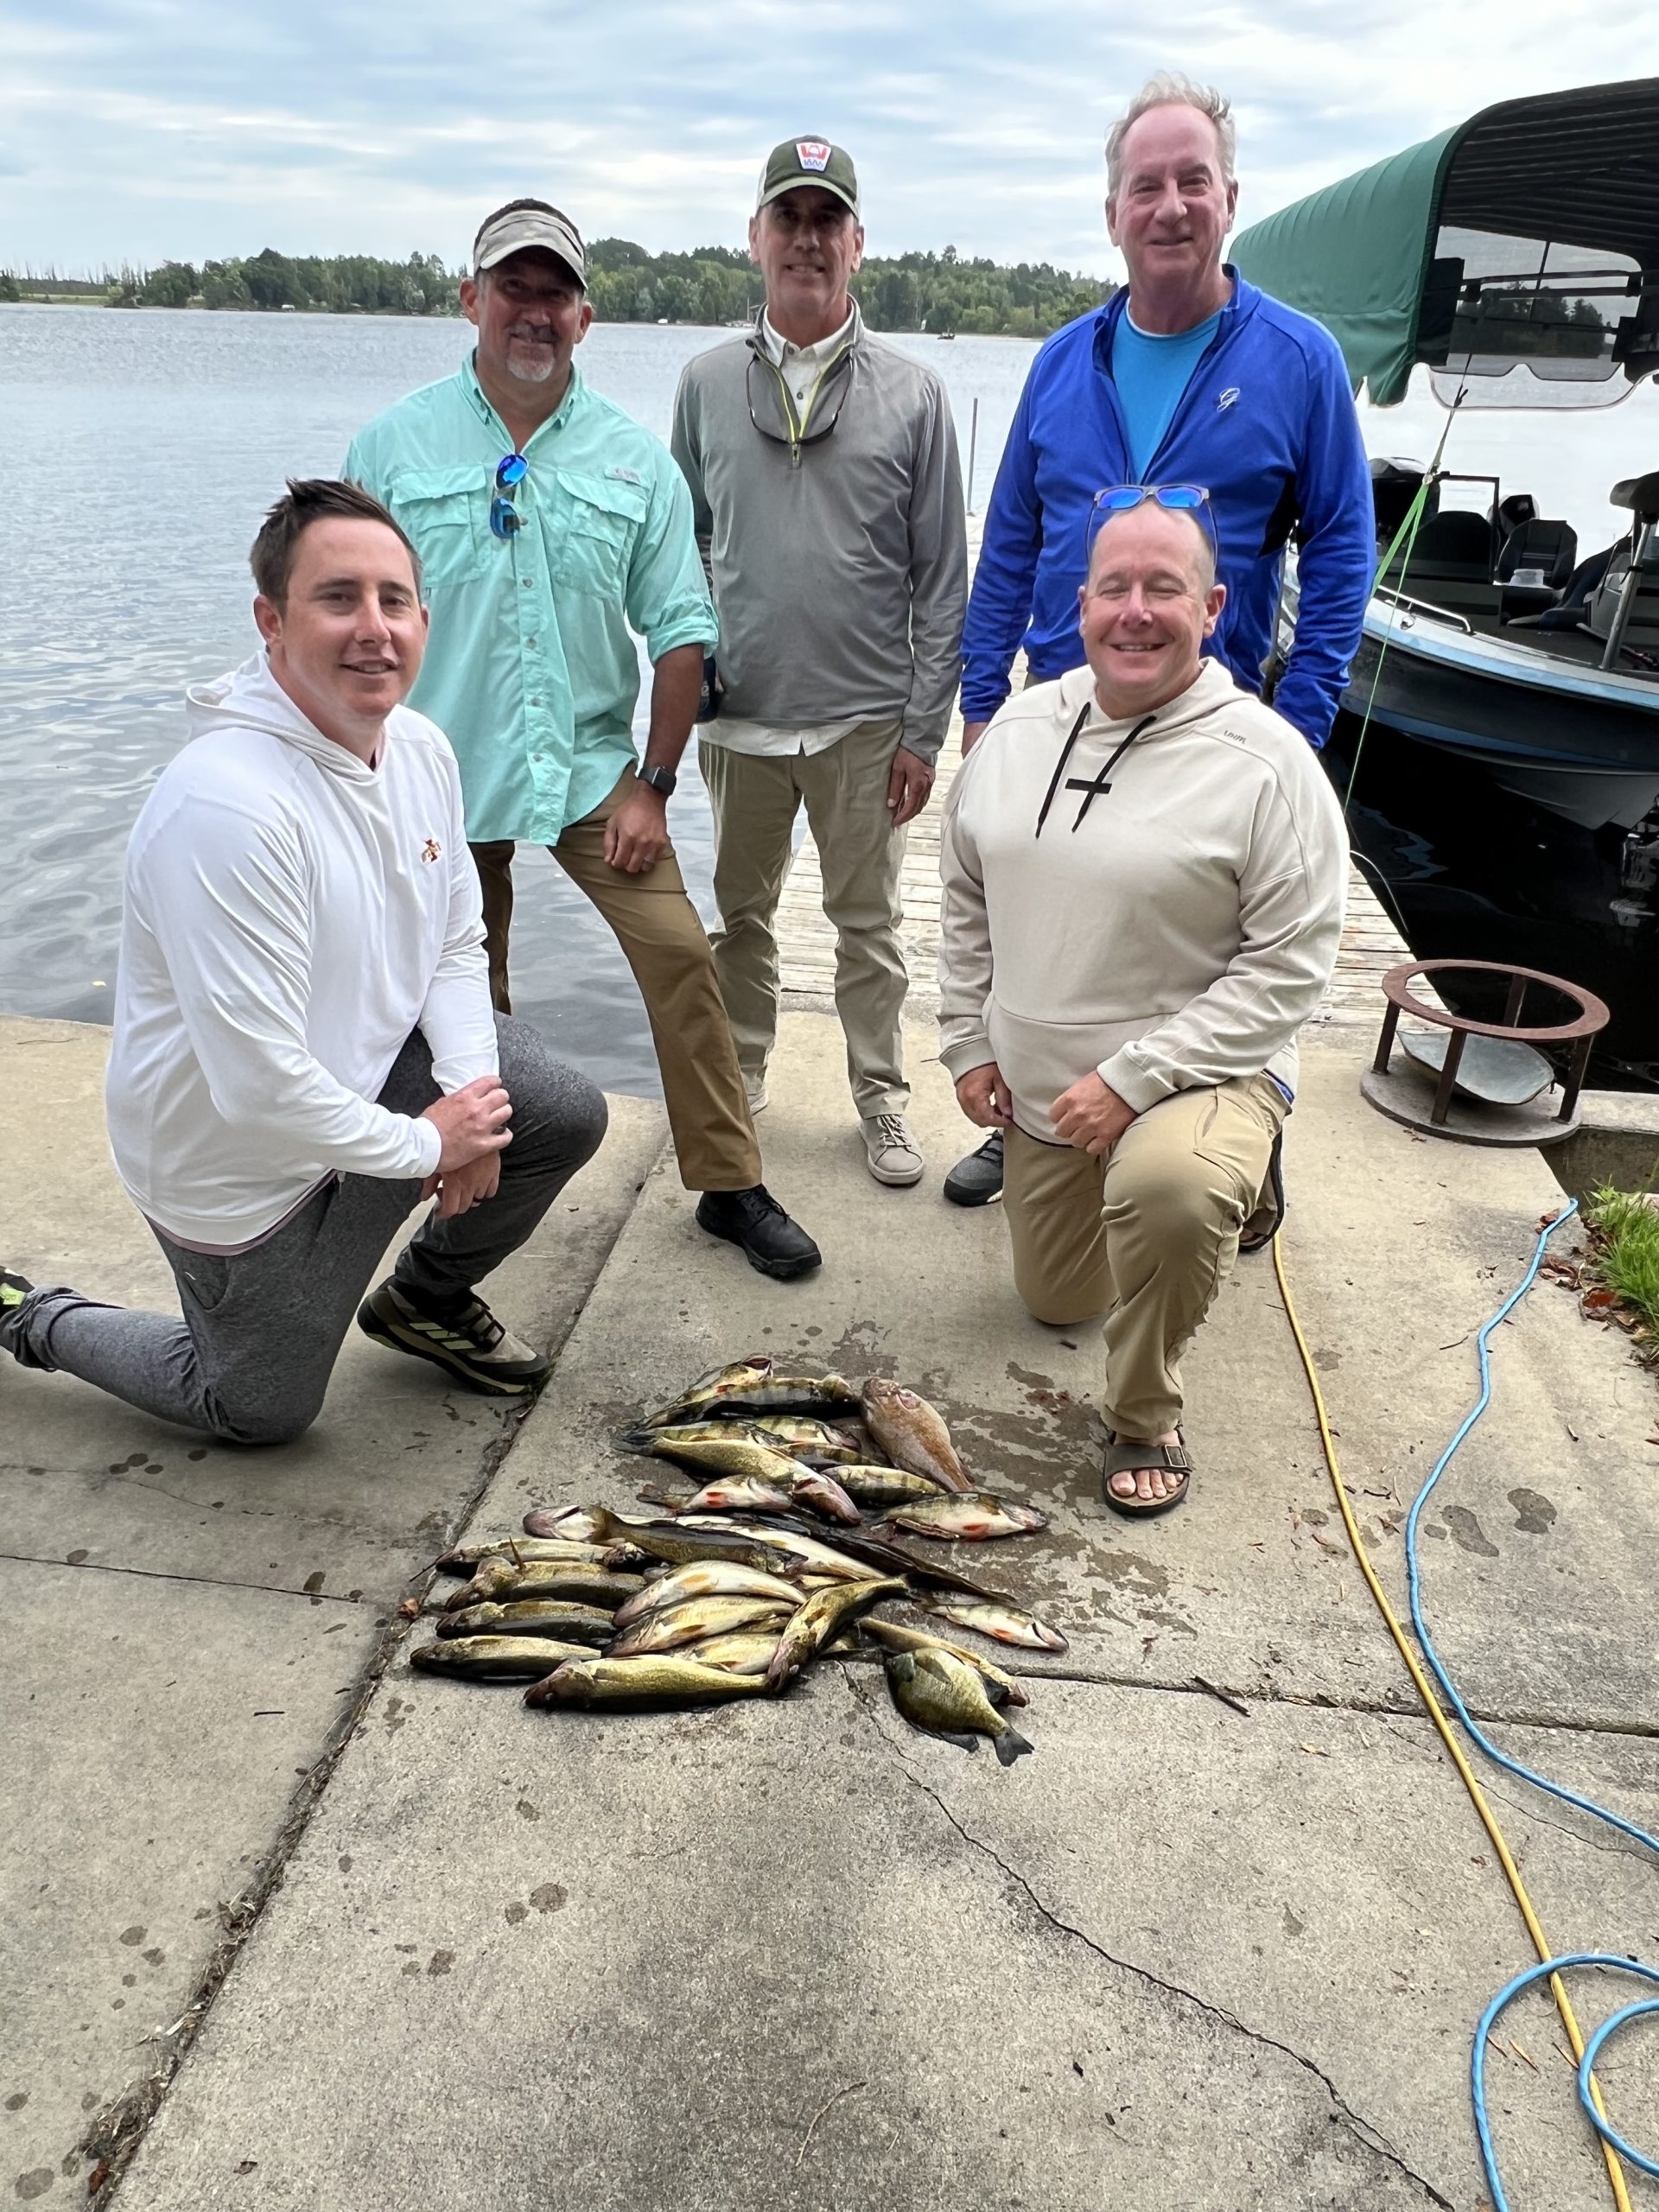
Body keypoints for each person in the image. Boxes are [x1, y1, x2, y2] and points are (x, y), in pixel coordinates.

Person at [0, 480, 608, 1443]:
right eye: (338, 598)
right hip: (237, 1166)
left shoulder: (420, 749)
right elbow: (257, 1089)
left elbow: (456, 941)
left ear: (423, 616)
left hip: (361, 1088)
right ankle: (29, 1315)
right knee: (257, 1410)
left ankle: (424, 1303)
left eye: (394, 599)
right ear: (270, 620)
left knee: (553, 1107)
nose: (375, 628)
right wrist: (429, 1146)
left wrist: (471, 1108)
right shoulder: (228, 806)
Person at [346, 199, 818, 1281]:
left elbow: (684, 630)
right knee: (471, 1010)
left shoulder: (630, 461)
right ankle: (463, 1232)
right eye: (512, 287)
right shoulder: (392, 446)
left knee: (682, 955)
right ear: (470, 300)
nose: (533, 311)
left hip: (592, 767)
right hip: (434, 783)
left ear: (585, 317)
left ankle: (728, 1181)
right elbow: (340, 616)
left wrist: (653, 785)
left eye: (554, 292)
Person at [944, 69, 1371, 1210]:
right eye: (1148, 185)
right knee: (1055, 926)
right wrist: (982, 703)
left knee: (1214, 945)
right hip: (1060, 710)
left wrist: (1300, 720)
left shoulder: (1299, 362)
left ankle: (1235, 1133)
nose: (1170, 205)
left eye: (1193, 181)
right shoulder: (1059, 363)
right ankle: (1029, 1117)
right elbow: (1010, 547)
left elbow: (1338, 552)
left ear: (1229, 196)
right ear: (1114, 213)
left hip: (1214, 726)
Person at [938, 490, 1348, 1517]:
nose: (1136, 610)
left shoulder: (1271, 766)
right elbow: (964, 891)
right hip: (1046, 1101)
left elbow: (1291, 970)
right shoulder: (1020, 731)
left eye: (1164, 588)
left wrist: (1133, 1080)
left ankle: (1143, 1410)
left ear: (1213, 606)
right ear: (1079, 605)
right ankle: (1190, 1205)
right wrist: (964, 1039)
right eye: (1114, 586)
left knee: (1171, 1197)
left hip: (1198, 1069)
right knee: (1056, 1301)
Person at [671, 137, 967, 1188]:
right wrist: (682, 684)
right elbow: (680, 547)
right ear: (755, 238)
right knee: (737, 921)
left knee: (871, 930)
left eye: (825, 220)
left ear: (857, 244)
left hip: (863, 727)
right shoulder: (704, 384)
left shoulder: (918, 394)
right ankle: (741, 1080)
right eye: (787, 219)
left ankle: (882, 1099)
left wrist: (924, 732)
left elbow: (943, 581)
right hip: (739, 723)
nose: (806, 239)